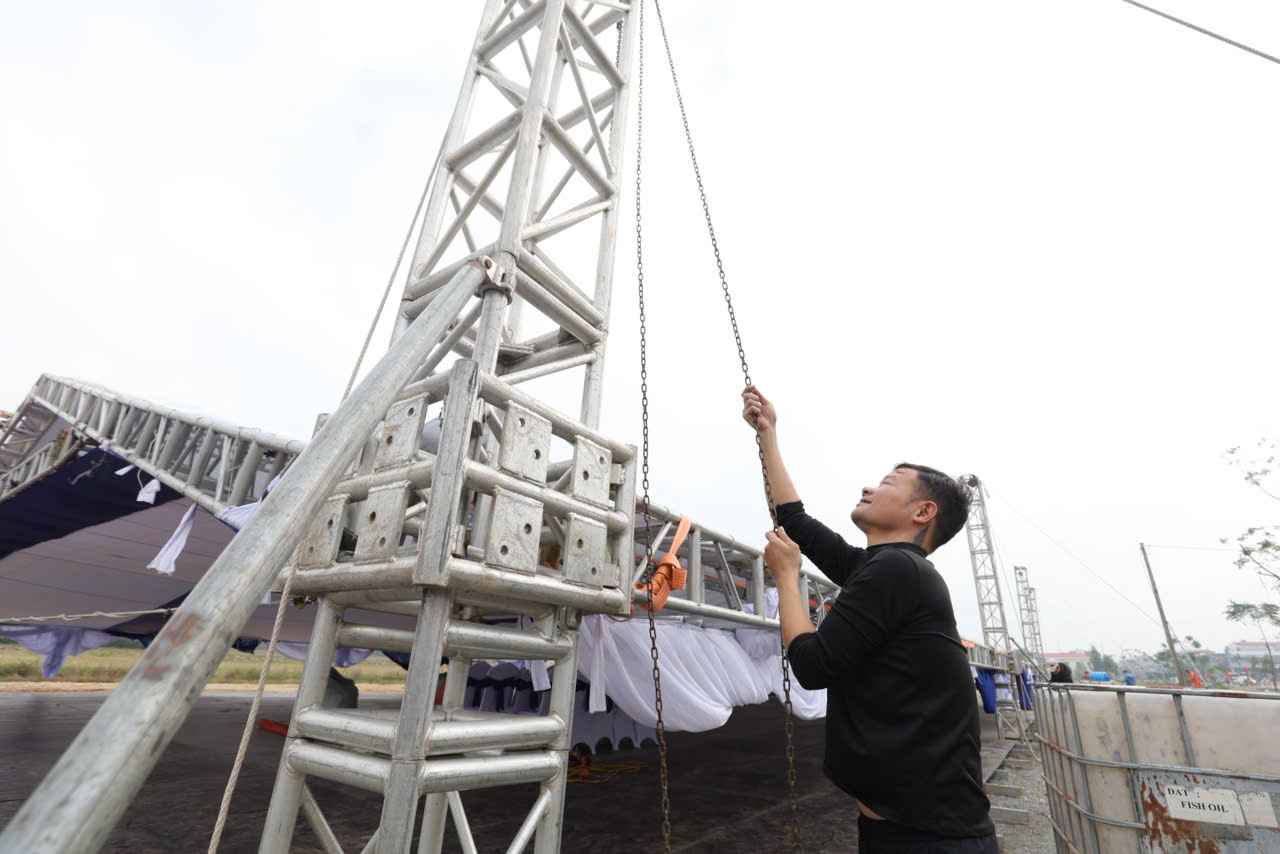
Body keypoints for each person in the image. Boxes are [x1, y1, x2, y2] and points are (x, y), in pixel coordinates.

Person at [743, 385, 996, 854]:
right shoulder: (883, 569)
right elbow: (795, 522)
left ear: (923, 511)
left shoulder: (898, 569)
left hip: (927, 840)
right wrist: (768, 434)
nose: (868, 487)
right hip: (909, 830)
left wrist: (787, 577)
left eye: (886, 483)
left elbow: (812, 665)